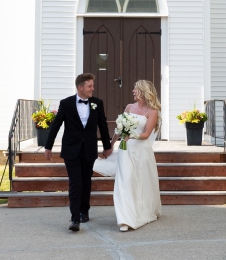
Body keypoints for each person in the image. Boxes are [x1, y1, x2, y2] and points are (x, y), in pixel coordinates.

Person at [41, 73, 112, 232]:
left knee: (86, 182)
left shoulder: (97, 103)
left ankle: (84, 210)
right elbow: (56, 125)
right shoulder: (66, 103)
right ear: (80, 87)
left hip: (89, 151)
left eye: (92, 86)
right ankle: (74, 219)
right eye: (89, 86)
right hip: (71, 150)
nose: (92, 89)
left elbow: (103, 126)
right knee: (75, 183)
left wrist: (107, 147)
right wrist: (48, 146)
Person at [111, 79, 162, 232]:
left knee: (141, 181)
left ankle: (144, 209)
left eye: (135, 89)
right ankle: (125, 218)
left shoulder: (152, 111)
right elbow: (119, 129)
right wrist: (111, 144)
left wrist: (131, 136)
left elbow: (146, 134)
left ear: (142, 91)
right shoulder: (129, 107)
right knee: (124, 180)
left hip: (141, 151)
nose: (133, 92)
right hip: (125, 150)